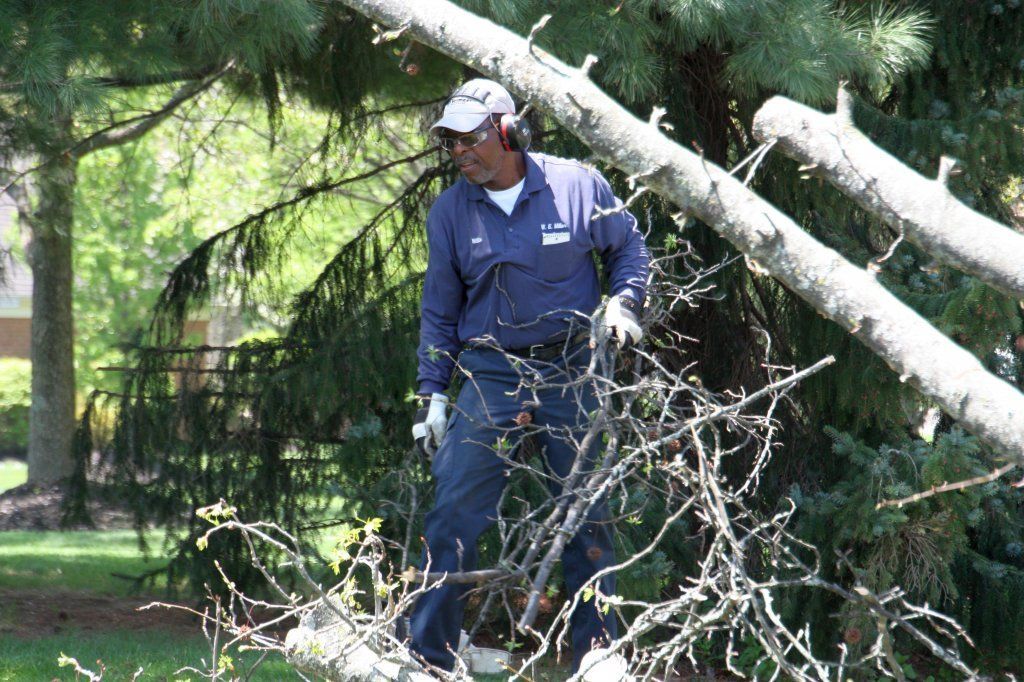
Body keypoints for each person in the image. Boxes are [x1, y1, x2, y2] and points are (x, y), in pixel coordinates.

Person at [409, 78, 649, 674]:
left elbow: (630, 249)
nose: (460, 152)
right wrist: (433, 394)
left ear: (508, 131)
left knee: (586, 511)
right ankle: (429, 656)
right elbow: (439, 310)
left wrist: (624, 303)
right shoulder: (450, 212)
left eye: (470, 138)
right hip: (492, 373)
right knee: (455, 509)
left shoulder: (575, 185)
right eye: (451, 143)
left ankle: (596, 656)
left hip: (572, 368)